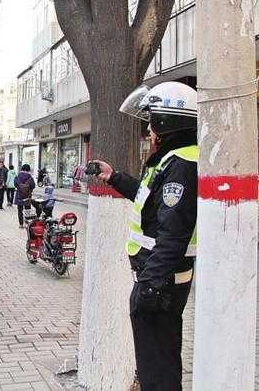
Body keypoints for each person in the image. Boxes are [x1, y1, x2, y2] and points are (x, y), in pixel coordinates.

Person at [94, 81, 198, 390]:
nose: (148, 130)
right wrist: (113, 177)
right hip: (159, 279)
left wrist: (149, 288)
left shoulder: (181, 164)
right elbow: (149, 198)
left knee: (157, 369)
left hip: (160, 283)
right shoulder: (172, 159)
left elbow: (173, 234)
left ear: (168, 120)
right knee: (159, 360)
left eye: (151, 120)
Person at [14, 164, 35, 228]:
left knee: (20, 210)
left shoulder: (17, 176)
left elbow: (15, 185)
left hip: (19, 196)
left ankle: (21, 224)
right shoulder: (30, 177)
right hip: (27, 196)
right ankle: (27, 223)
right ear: (28, 170)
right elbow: (33, 186)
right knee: (27, 210)